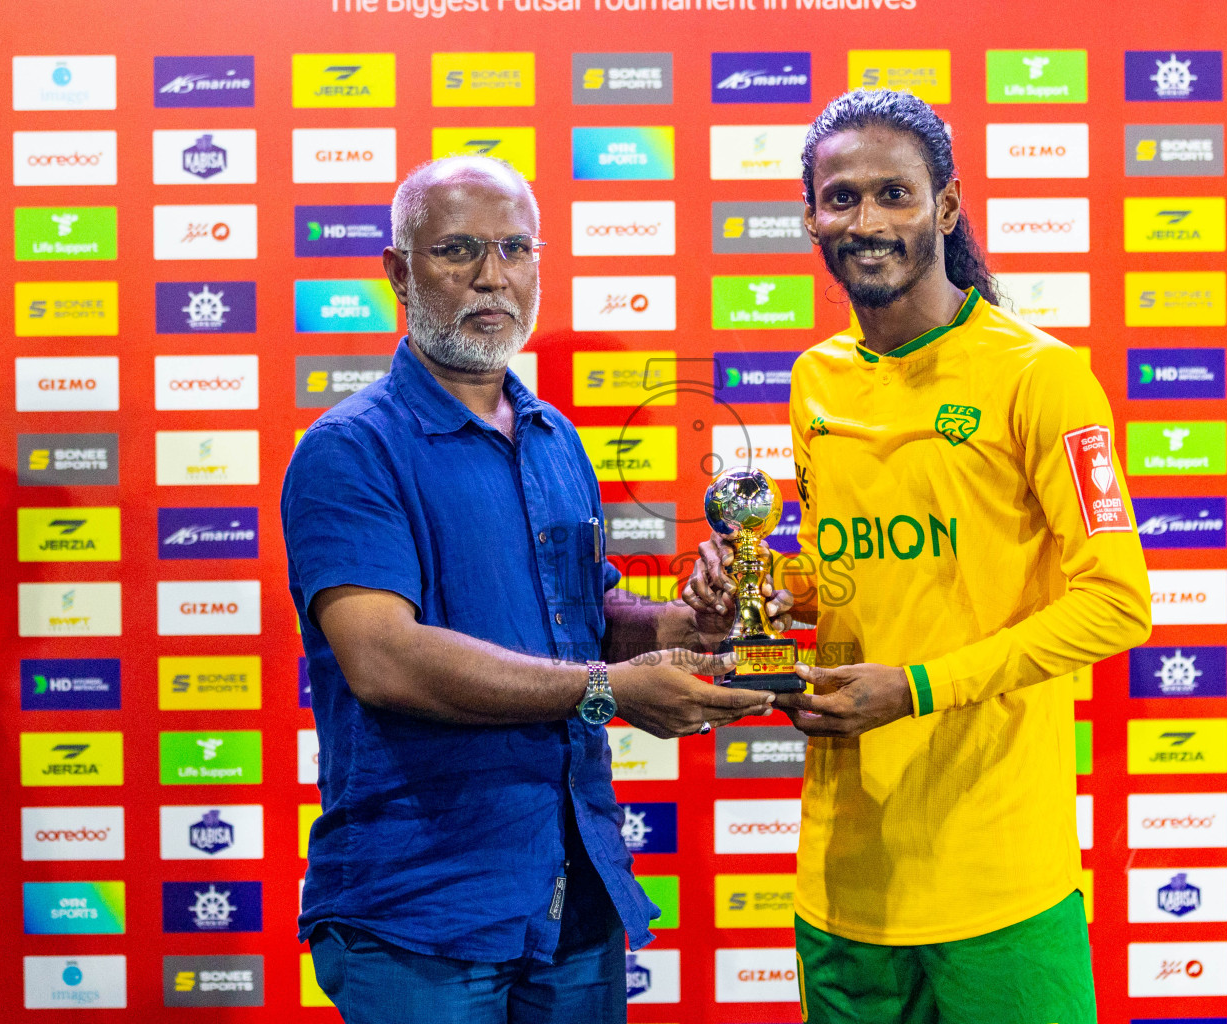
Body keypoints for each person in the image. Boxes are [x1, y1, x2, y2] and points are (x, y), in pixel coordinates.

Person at [281, 155, 788, 1024]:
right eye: (459, 250)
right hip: (421, 908)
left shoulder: (556, 438)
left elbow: (587, 618)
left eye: (515, 248)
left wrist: (694, 624)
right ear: (400, 273)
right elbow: (384, 659)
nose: (492, 275)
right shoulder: (350, 449)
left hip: (574, 893)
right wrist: (608, 691)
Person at [686, 90, 1152, 1024]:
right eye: (842, 198)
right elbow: (849, 569)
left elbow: (1117, 603)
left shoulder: (1041, 376)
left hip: (1000, 884)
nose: (867, 222)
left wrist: (919, 688)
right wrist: (753, 584)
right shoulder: (814, 381)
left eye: (895, 194)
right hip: (844, 880)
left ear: (945, 207)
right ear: (810, 214)